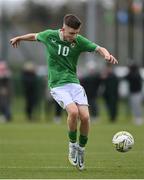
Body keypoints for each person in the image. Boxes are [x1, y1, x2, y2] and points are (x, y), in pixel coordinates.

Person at [10, 14, 118, 170]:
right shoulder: (50, 36)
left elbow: (99, 48)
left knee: (86, 118)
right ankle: (72, 145)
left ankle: (81, 149)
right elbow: (35, 36)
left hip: (74, 84)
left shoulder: (78, 41)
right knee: (73, 112)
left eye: (77, 33)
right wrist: (19, 37)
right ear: (63, 29)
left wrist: (106, 55)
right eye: (72, 33)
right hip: (57, 85)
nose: (75, 36)